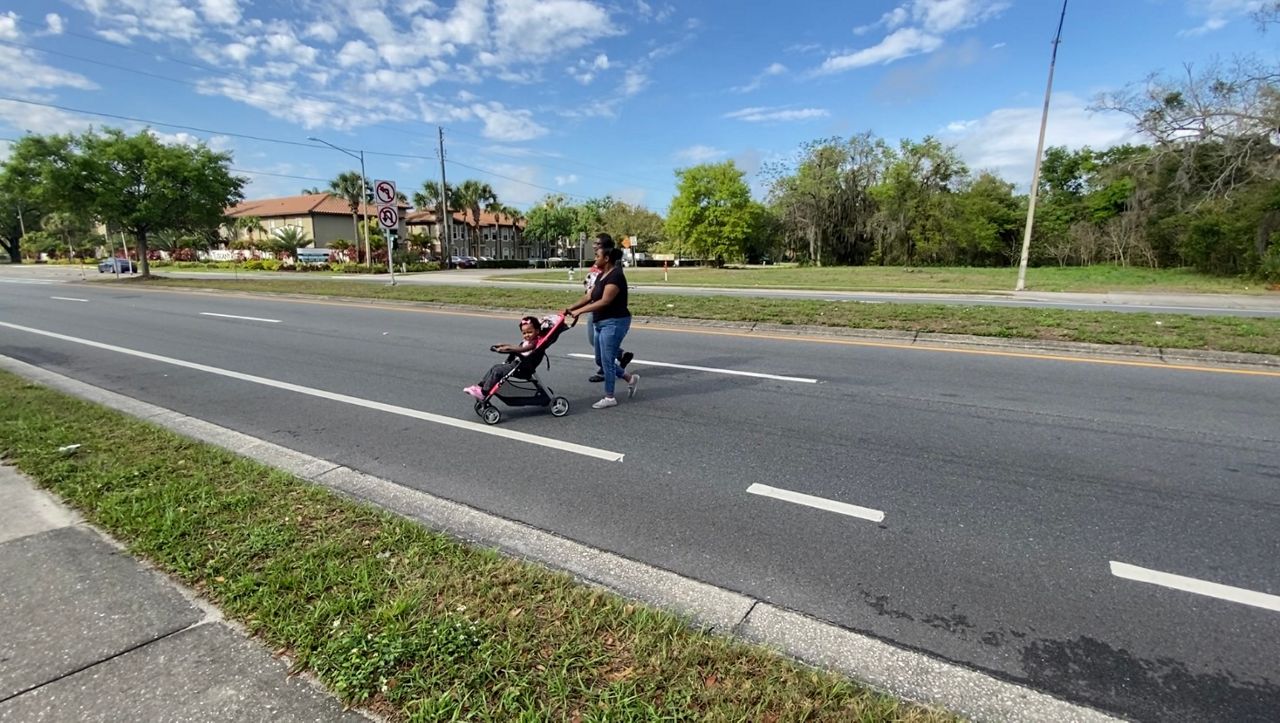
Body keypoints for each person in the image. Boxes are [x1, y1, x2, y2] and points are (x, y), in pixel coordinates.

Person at [565, 238, 638, 409]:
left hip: (614, 322)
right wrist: (570, 308)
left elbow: (605, 301)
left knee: (607, 360)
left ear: (606, 259)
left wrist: (580, 312)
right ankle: (630, 378)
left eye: (597, 256)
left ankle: (610, 396)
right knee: (600, 360)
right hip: (600, 322)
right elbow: (589, 296)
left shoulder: (616, 275)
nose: (594, 258)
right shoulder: (601, 275)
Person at [583, 236, 633, 382]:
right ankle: (618, 359)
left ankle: (607, 375)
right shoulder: (599, 262)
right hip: (594, 305)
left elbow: (608, 293)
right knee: (595, 342)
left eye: (597, 244)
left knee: (597, 342)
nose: (594, 246)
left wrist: (581, 309)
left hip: (604, 311)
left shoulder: (611, 267)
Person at [463, 316, 542, 400]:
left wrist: (508, 349)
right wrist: (503, 345)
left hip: (522, 368)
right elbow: (516, 347)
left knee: (498, 371)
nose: (527, 335)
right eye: (524, 333)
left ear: (537, 331)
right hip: (517, 364)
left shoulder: (534, 343)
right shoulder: (526, 341)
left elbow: (522, 349)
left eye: (529, 332)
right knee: (495, 367)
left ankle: (483, 393)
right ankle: (480, 386)